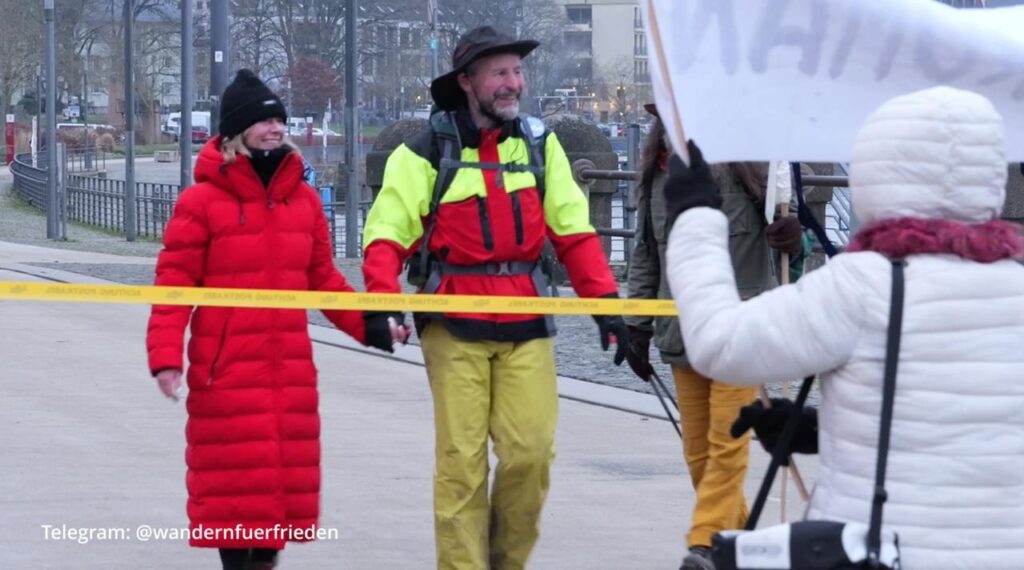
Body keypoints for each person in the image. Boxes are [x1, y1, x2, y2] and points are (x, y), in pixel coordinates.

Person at [663, 86, 1024, 569]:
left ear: (878, 169)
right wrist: (822, 430)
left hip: (878, 552)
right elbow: (967, 422)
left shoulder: (862, 283)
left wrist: (694, 219)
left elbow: (719, 344)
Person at [361, 26, 630, 570]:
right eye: (500, 74)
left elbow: (574, 232)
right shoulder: (424, 151)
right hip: (453, 321)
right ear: (467, 82)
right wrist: (381, 301)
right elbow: (387, 233)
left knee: (530, 456)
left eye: (517, 72)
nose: (514, 84)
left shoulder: (538, 143)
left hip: (526, 320)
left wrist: (607, 306)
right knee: (461, 465)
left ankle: (505, 562)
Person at [145, 69, 397, 570]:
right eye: (265, 121)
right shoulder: (200, 202)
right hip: (227, 374)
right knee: (234, 500)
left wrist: (371, 324)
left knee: (276, 503)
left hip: (290, 374)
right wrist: (165, 360)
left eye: (281, 119)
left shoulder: (302, 201)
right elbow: (173, 290)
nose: (277, 128)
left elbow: (324, 279)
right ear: (239, 131)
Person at [622, 104, 803, 570]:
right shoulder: (655, 180)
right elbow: (645, 254)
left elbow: (789, 257)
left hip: (741, 335)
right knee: (698, 454)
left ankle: (705, 543)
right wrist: (637, 327)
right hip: (681, 337)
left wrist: (794, 241)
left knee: (728, 444)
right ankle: (741, 548)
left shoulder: (752, 170)